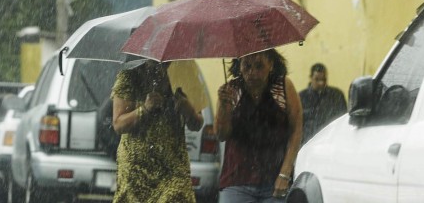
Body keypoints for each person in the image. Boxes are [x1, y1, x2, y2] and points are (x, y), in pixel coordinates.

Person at [215, 49, 302, 202]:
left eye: (259, 66)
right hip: (237, 179)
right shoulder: (231, 91)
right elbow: (221, 135)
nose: (252, 72)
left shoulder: (283, 87)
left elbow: (296, 131)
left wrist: (285, 173)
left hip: (274, 180)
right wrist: (223, 108)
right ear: (239, 66)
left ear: (271, 64)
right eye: (247, 66)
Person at [111, 60, 204, 203]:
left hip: (173, 166)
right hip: (137, 169)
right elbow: (119, 125)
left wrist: (187, 108)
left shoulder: (185, 72)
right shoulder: (130, 76)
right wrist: (145, 109)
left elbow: (197, 124)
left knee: (176, 196)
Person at [299, 63, 347, 145]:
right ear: (310, 78)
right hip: (308, 143)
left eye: (324, 80)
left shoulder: (337, 95)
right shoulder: (301, 97)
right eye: (317, 79)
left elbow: (344, 119)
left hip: (331, 143)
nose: (321, 83)